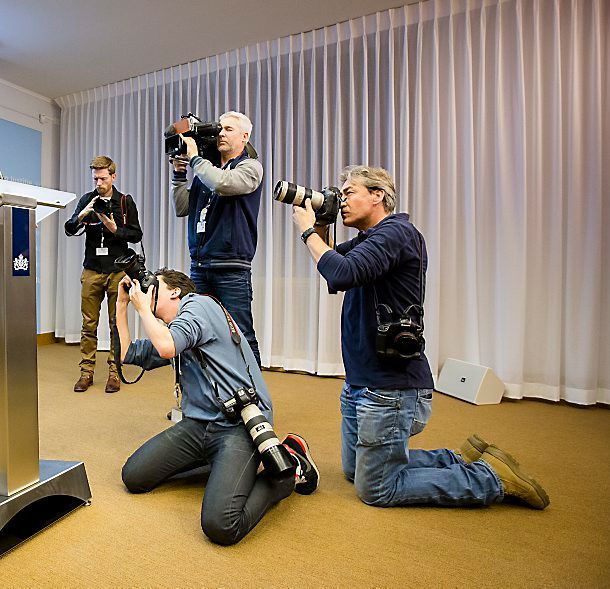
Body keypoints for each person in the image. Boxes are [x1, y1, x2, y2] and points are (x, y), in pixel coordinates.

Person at [291, 164, 549, 509]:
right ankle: (456, 459)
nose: (342, 201)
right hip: (362, 382)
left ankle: (491, 478)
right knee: (355, 471)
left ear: (377, 195)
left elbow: (343, 272)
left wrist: (308, 232)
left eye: (349, 192)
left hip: (390, 387)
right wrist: (322, 221)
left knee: (377, 489)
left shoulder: (397, 234)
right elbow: (334, 269)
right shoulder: (372, 240)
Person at [115, 267, 319, 545]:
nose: (148, 291)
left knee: (221, 525)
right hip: (198, 426)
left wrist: (143, 309)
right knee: (134, 476)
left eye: (155, 286)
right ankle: (225, 468)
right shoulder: (176, 330)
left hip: (239, 426)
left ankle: (288, 470)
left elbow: (166, 347)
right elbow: (127, 353)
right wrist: (122, 305)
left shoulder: (199, 306)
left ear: (175, 291)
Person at [171, 111, 264, 366]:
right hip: (200, 265)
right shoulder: (206, 170)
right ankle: (216, 392)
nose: (221, 133)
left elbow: (223, 183)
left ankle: (256, 397)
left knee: (241, 333)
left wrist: (195, 159)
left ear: (245, 136)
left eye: (229, 129)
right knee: (201, 330)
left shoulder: (250, 168)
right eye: (220, 128)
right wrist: (179, 175)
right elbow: (182, 207)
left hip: (231, 267)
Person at [64, 156, 142, 393]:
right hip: (91, 269)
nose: (99, 182)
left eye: (103, 178)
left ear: (113, 177)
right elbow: (69, 228)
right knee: (89, 324)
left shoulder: (125, 202)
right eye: (95, 178)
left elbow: (136, 235)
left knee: (115, 324)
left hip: (117, 271)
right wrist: (83, 214)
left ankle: (114, 372)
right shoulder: (88, 199)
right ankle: (86, 372)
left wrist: (114, 228)